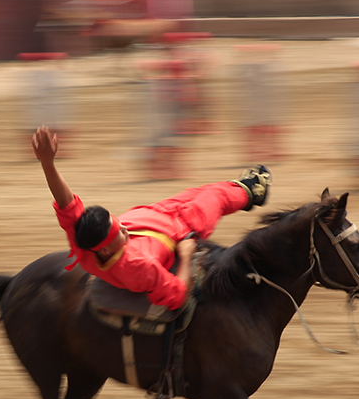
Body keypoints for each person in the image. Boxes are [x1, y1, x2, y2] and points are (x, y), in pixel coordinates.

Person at [32, 126, 271, 311]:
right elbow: (176, 295)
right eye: (120, 234)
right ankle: (254, 190)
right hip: (181, 229)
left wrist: (47, 163)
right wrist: (186, 256)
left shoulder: (82, 236)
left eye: (118, 223)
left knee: (202, 190)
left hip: (156, 215)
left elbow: (66, 203)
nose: (123, 230)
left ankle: (242, 188)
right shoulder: (137, 266)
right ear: (104, 251)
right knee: (215, 197)